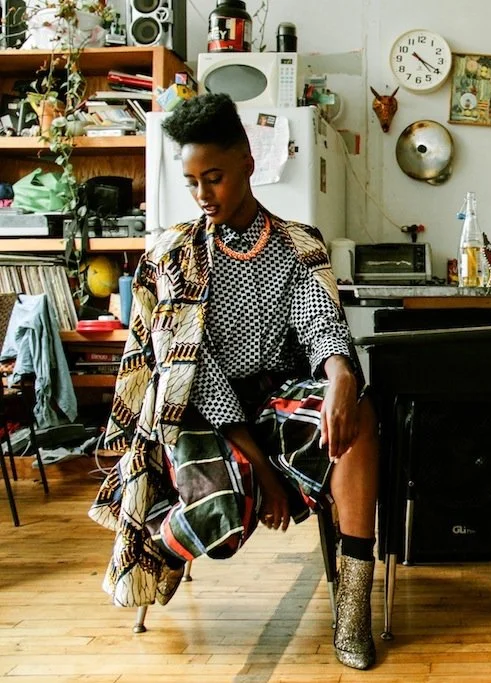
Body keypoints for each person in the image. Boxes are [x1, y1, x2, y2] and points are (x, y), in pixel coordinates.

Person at [88, 93, 378, 670]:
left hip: (274, 400)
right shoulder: (178, 255)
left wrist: (342, 371)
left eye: (214, 177)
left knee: (359, 415)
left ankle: (353, 605)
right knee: (221, 513)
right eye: (193, 181)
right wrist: (266, 475)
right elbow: (194, 373)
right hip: (198, 411)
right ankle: (164, 539)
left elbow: (318, 317)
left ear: (248, 159)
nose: (203, 195)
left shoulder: (298, 244)